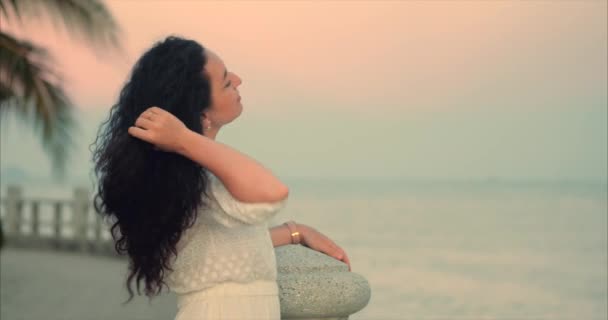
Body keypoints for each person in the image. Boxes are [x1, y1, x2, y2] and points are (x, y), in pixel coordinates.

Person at [92, 36, 350, 320]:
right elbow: (272, 191)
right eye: (226, 81)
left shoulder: (191, 179)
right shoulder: (192, 176)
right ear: (202, 111)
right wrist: (183, 139)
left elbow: (224, 245)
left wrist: (295, 232)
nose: (238, 80)